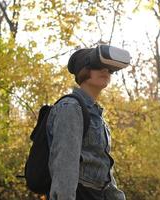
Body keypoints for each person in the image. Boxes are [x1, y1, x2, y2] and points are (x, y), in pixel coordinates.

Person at [46, 48, 126, 200]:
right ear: (83, 70)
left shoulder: (98, 117)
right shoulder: (70, 107)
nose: (105, 70)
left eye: (110, 68)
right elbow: (65, 168)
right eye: (98, 65)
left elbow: (103, 173)